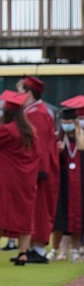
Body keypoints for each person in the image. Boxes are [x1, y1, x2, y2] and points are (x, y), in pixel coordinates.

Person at [0, 90, 39, 266]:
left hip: (6, 180)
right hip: (26, 179)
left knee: (0, 215)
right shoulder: (30, 130)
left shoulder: (6, 130)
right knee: (25, 216)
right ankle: (22, 253)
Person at [17, 76, 58, 263]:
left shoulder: (38, 113)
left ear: (29, 93)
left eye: (20, 91)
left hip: (40, 170)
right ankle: (33, 247)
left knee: (40, 209)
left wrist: (38, 170)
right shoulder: (34, 111)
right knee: (33, 210)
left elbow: (40, 145)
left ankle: (39, 249)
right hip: (35, 168)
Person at [49, 106, 84, 261]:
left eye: (69, 121)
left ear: (75, 122)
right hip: (63, 183)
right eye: (63, 121)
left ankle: (75, 249)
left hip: (79, 183)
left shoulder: (81, 139)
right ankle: (57, 249)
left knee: (78, 217)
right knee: (61, 217)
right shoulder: (57, 139)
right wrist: (57, 152)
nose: (66, 124)